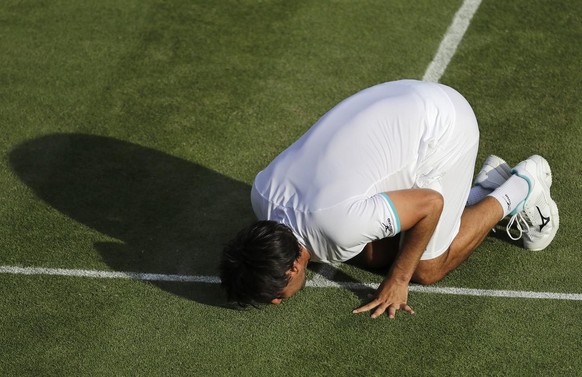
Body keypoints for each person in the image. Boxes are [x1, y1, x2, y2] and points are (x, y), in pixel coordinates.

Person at [219, 79, 559, 318]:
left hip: (444, 128)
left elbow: (430, 204)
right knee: (374, 253)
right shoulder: (261, 194)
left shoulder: (338, 225)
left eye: (274, 295)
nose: (276, 302)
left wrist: (397, 281)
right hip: (398, 96)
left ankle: (521, 187)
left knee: (424, 268)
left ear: (293, 267)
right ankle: (483, 188)